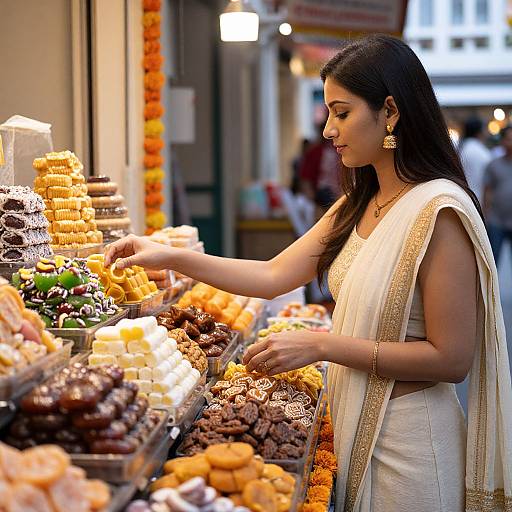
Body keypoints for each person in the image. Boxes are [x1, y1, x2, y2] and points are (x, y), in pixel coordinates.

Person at [105, 35, 512, 512]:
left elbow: (451, 358)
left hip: (412, 448)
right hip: (356, 427)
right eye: (329, 114)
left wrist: (321, 345)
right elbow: (273, 274)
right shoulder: (360, 203)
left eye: (342, 113)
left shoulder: (439, 211)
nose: (328, 131)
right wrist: (170, 256)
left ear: (390, 112)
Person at [483, 125, 512, 265]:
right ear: (502, 141)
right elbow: (487, 191)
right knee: (493, 262)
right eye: (508, 139)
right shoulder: (493, 165)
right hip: (496, 221)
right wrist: (486, 216)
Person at [458, 117, 491, 204]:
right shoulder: (479, 151)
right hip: (477, 198)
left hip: (466, 196)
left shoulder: (464, 147)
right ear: (479, 131)